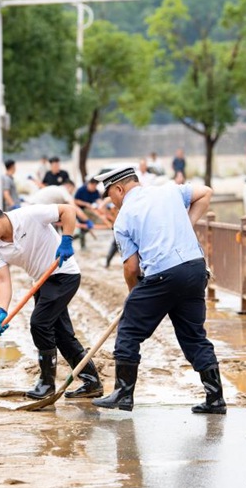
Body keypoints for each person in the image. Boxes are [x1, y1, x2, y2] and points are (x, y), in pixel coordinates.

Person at [90, 167, 226, 415]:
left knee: (129, 331)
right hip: (195, 269)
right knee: (194, 336)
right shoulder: (169, 191)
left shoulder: (124, 218)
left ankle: (123, 393)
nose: (112, 202)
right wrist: (188, 222)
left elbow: (131, 268)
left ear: (119, 189)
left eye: (111, 196)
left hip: (164, 274)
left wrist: (134, 295)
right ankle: (215, 398)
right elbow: (205, 193)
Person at [0, 200, 104, 400]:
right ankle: (92, 382)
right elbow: (3, 281)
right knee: (62, 335)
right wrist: (1, 310)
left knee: (39, 323)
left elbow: (68, 210)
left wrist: (66, 239)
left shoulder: (29, 216)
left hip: (62, 274)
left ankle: (46, 383)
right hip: (41, 282)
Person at [74, 177, 101, 249]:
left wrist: (100, 205)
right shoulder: (81, 190)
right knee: (84, 227)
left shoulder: (96, 191)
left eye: (95, 186)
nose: (94, 188)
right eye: (93, 186)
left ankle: (77, 237)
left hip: (91, 211)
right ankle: (82, 245)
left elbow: (98, 200)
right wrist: (86, 204)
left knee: (89, 226)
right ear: (89, 184)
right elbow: (75, 201)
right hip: (80, 211)